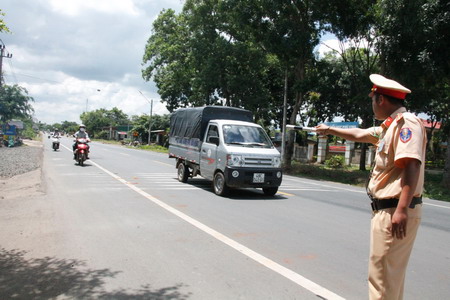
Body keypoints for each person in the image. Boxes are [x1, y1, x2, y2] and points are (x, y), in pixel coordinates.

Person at [316, 74, 426, 300]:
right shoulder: (389, 127)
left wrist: (402, 210)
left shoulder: (407, 124)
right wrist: (329, 129)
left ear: (381, 100)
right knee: (387, 278)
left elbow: (411, 164)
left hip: (394, 209)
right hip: (387, 210)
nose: (372, 105)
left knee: (382, 280)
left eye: (373, 100)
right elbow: (359, 133)